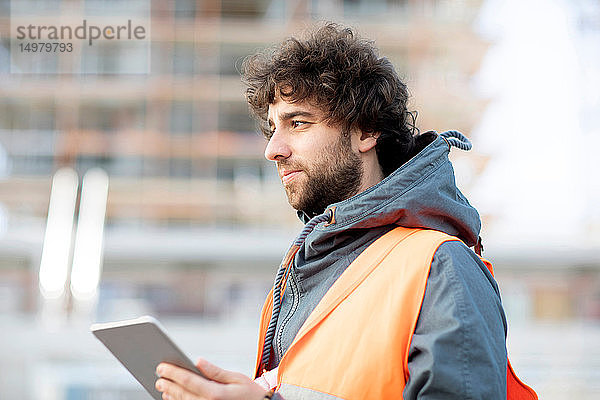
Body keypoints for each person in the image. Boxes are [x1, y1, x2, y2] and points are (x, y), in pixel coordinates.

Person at [154, 23, 537, 400]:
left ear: (366, 131)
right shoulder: (302, 271)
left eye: (297, 123)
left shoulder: (440, 266)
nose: (273, 149)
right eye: (272, 128)